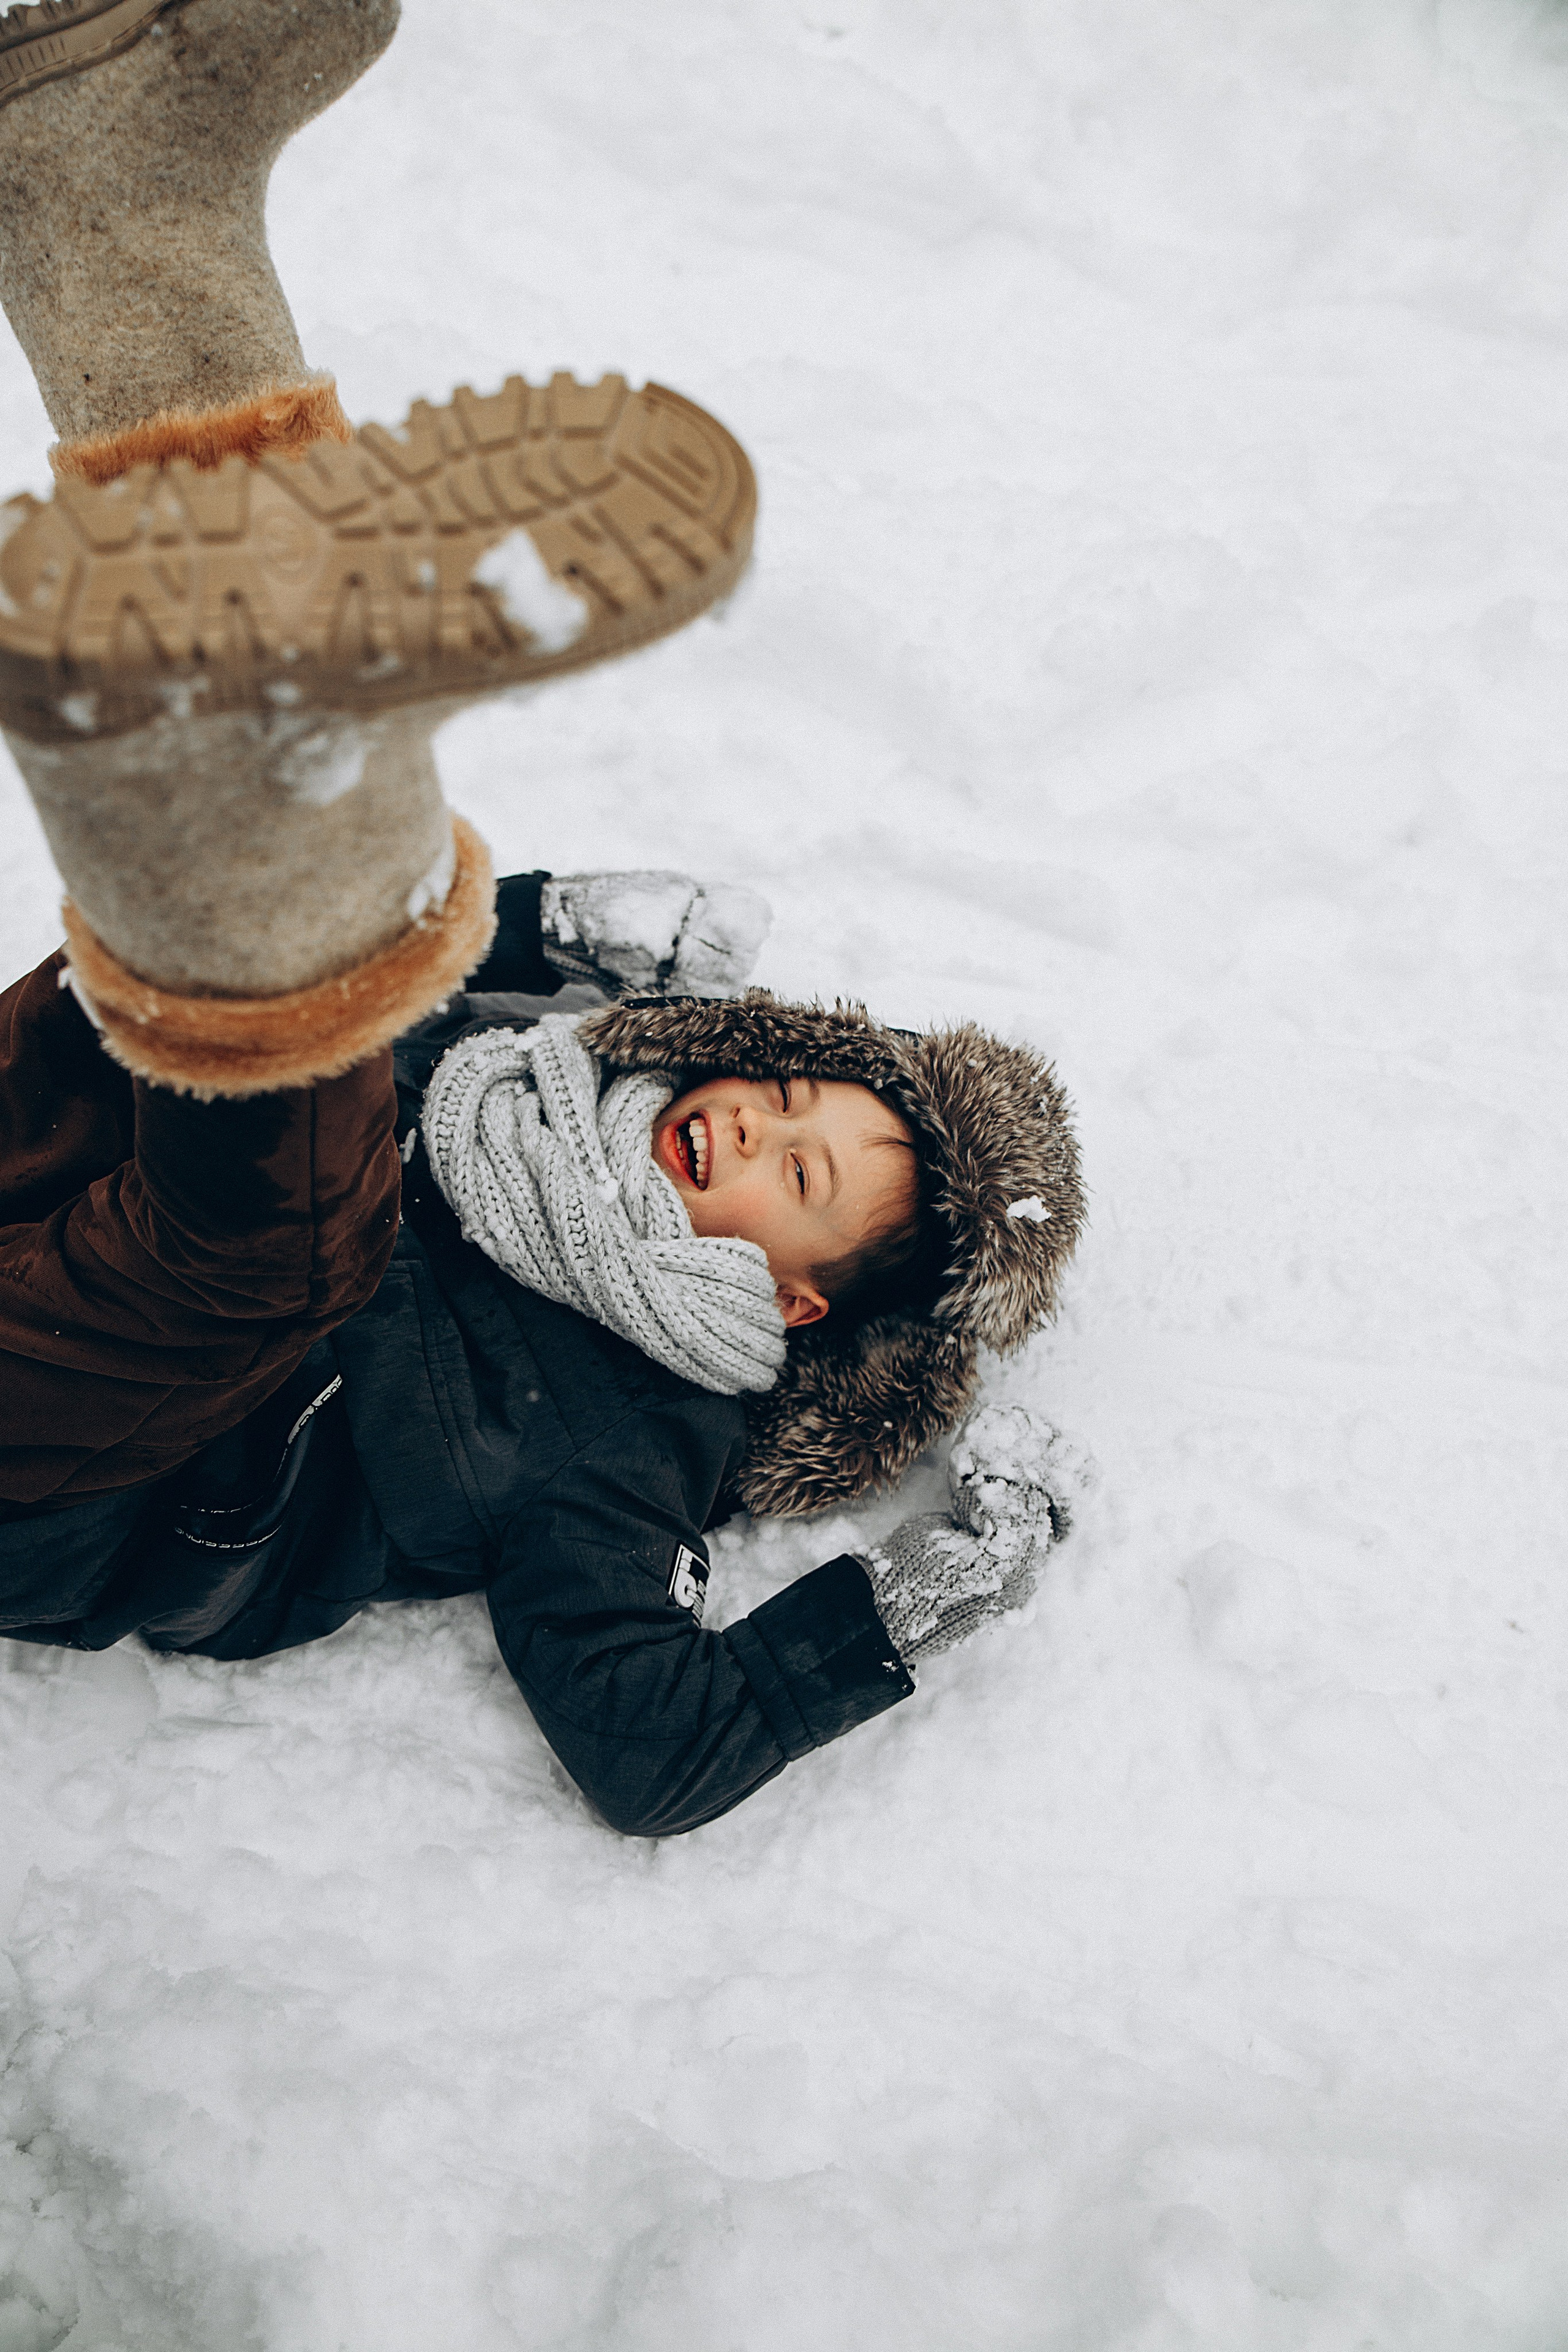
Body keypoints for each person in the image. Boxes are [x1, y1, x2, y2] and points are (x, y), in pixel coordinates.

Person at [0, 0, 1088, 1834]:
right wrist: (539, 928)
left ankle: (154, 330)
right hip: (65, 1176)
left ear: (799, 1295)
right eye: (796, 1095)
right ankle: (118, 232)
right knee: (310, 982)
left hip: (91, 1471)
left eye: (800, 1174)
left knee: (296, 1159)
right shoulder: (514, 1076)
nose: (757, 1121)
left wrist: (922, 1598)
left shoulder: (630, 1432)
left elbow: (653, 1751)